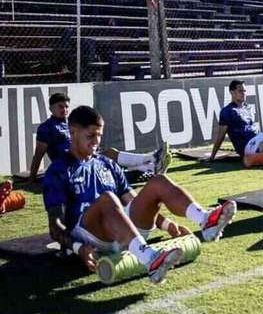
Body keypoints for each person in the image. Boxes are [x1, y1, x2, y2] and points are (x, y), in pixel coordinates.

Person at [43, 106, 236, 283]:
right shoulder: (59, 170)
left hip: (121, 231)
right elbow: (55, 226)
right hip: (89, 236)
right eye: (91, 135)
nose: (96, 141)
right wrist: (78, 247)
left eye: (99, 135)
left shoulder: (106, 164)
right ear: (73, 131)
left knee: (158, 181)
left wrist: (167, 225)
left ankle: (205, 220)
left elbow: (133, 201)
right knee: (108, 199)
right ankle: (150, 258)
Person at [29, 93, 171, 181]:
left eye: (66, 106)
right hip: (69, 165)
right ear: (51, 108)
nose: (64, 110)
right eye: (60, 106)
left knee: (111, 154)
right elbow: (38, 154)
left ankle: (151, 164)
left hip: (85, 157)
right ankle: (151, 163)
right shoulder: (46, 128)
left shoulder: (71, 123)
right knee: (110, 167)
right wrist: (32, 178)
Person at [208, 80, 263, 167]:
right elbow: (221, 136)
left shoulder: (248, 107)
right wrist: (212, 156)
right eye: (240, 91)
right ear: (232, 92)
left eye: (244, 91)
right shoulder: (227, 111)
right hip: (249, 145)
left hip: (260, 136)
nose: (244, 93)